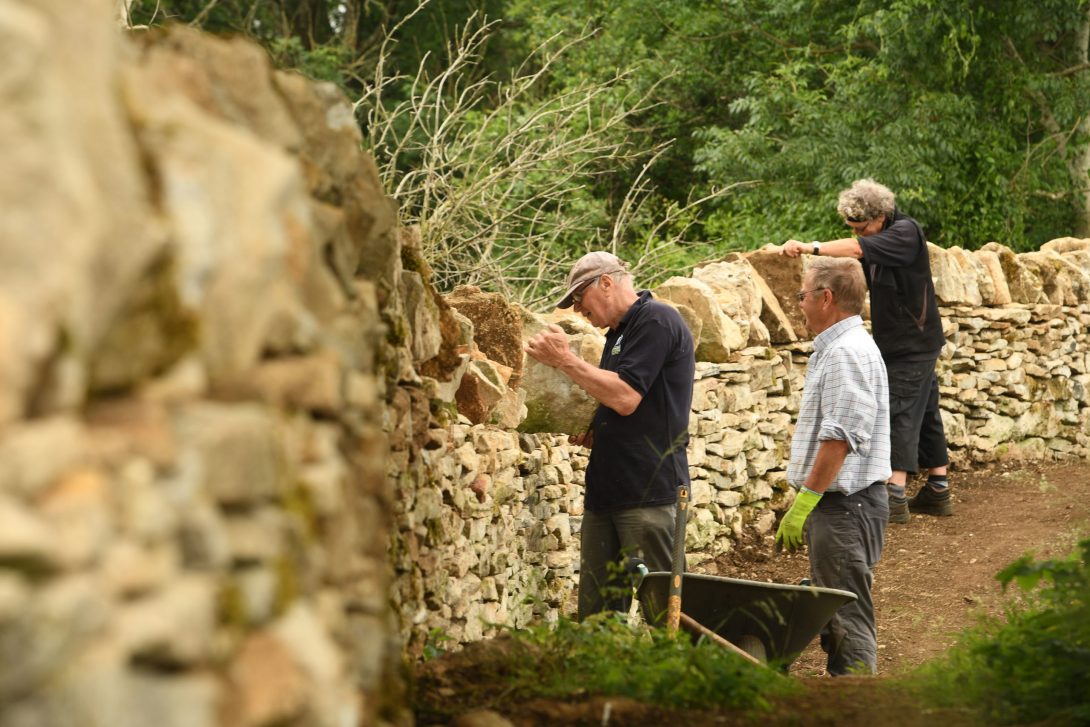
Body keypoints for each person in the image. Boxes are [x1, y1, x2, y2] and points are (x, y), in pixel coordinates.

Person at [524, 251, 695, 620]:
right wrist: (595, 428)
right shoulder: (616, 335)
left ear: (606, 282)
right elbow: (621, 400)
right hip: (608, 494)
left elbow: (627, 396)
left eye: (578, 297)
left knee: (665, 614)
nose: (575, 308)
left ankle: (685, 677)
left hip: (650, 493)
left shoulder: (657, 320)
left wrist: (566, 360)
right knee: (597, 617)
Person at [778, 178, 952, 524]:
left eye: (863, 227)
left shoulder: (905, 232)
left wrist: (810, 248)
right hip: (903, 340)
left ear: (881, 216)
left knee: (899, 409)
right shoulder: (881, 237)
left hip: (912, 342)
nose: (862, 234)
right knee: (926, 409)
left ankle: (895, 494)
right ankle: (938, 488)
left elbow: (857, 250)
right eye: (855, 228)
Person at [774, 256, 892, 675]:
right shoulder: (839, 348)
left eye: (802, 296)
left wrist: (804, 502)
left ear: (826, 298)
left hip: (846, 507)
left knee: (846, 611)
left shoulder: (846, 353)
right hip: (845, 508)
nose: (799, 304)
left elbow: (839, 437)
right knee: (836, 606)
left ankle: (856, 704)